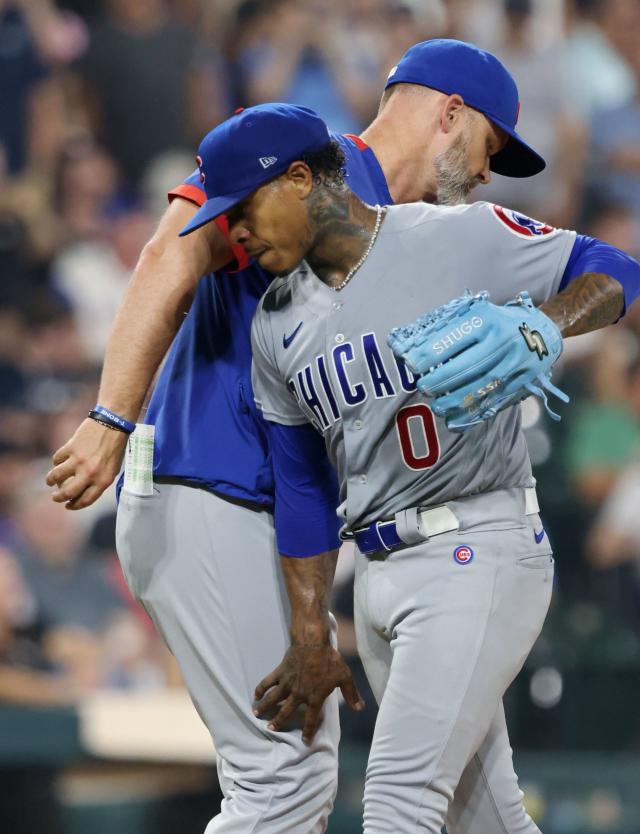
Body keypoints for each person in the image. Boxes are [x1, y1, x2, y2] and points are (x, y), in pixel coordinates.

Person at [45, 39, 629, 833]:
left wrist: (546, 328)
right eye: (491, 147)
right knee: (283, 782)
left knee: (474, 806)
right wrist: (112, 416)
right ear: (450, 115)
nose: (489, 171)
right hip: (208, 487)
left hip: (305, 521)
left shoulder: (423, 233)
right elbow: (167, 254)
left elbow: (612, 271)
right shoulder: (299, 162)